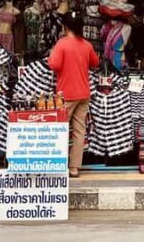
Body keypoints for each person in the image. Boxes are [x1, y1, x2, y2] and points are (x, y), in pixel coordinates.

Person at [48, 11, 99, 177]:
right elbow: (95, 63)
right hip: (84, 93)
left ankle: (57, 164)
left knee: (59, 129)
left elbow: (54, 65)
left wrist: (51, 54)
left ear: (64, 26)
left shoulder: (62, 44)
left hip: (66, 95)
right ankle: (74, 168)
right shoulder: (86, 44)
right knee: (79, 131)